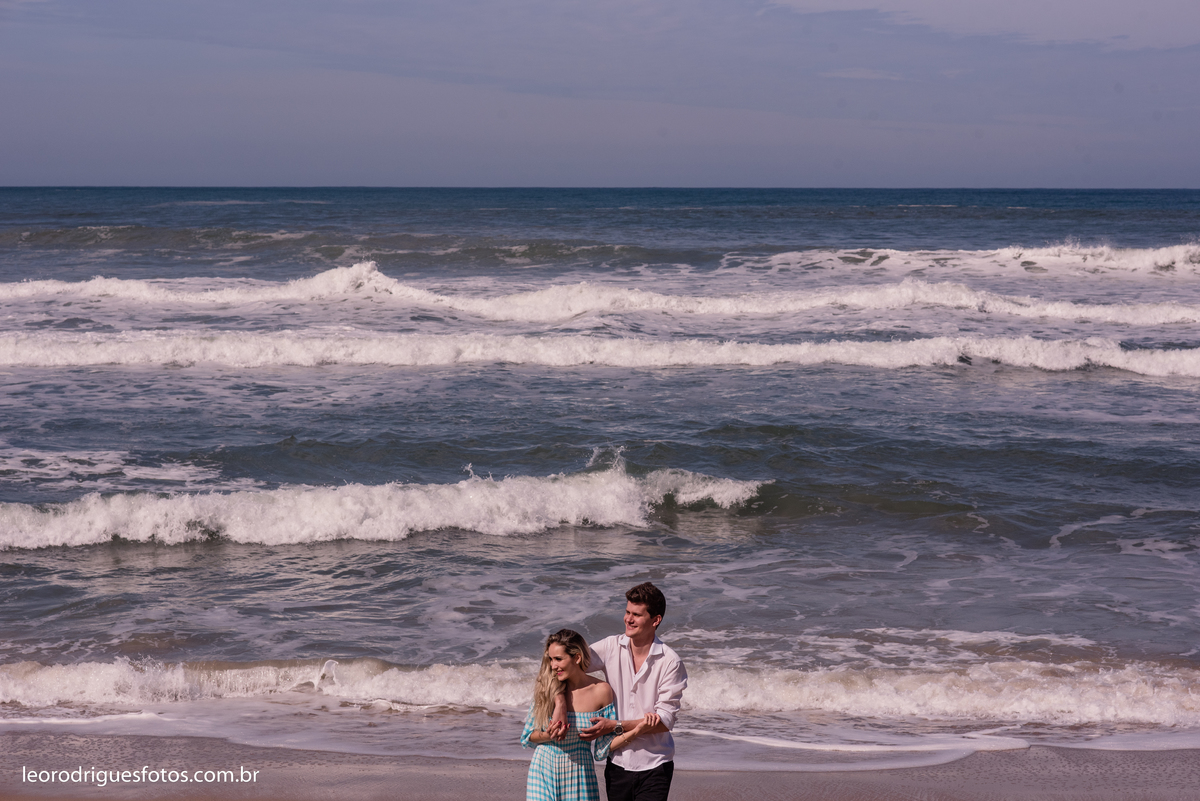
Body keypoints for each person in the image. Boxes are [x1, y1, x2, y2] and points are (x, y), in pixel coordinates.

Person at [522, 629, 660, 801]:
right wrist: (557, 709)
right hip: (543, 769)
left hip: (579, 773)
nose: (552, 665)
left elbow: (604, 747)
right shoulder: (547, 687)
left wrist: (638, 730)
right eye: (550, 659)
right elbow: (528, 735)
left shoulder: (601, 691)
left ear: (577, 658)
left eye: (558, 659)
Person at [579, 583, 687, 801]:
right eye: (627, 612)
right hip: (617, 761)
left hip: (656, 764)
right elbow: (570, 666)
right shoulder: (610, 646)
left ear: (655, 620)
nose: (628, 619)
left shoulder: (670, 661)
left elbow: (664, 721)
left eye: (636, 614)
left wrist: (614, 726)